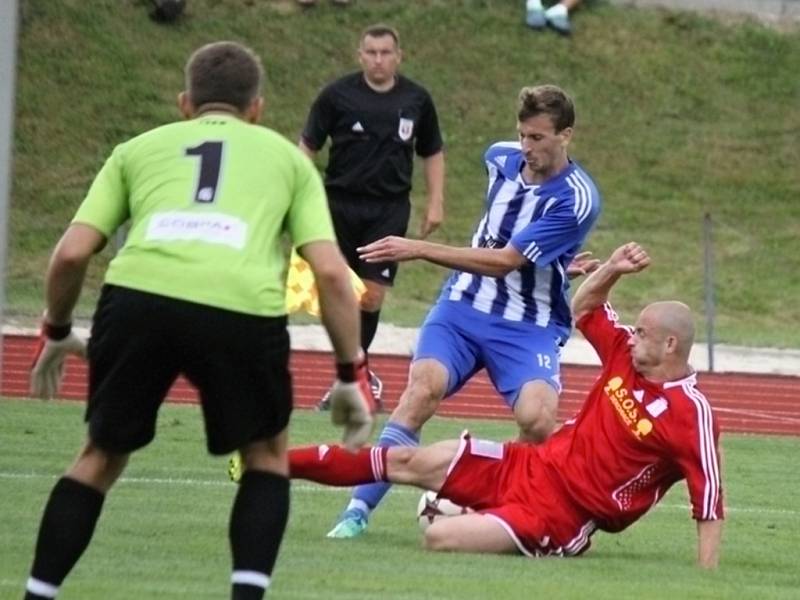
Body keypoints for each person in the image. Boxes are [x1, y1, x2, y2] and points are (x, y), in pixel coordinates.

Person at [23, 41, 374, 600]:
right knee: (265, 457)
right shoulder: (288, 159)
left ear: (185, 104)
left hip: (138, 298)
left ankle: (38, 593)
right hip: (240, 308)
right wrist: (350, 373)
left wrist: (58, 332)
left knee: (99, 457)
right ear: (257, 108)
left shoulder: (136, 150)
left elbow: (69, 254)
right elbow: (332, 275)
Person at [289, 241, 725, 568]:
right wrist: (611, 268)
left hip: (561, 514)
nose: (632, 336)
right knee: (407, 460)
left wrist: (705, 577)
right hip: (528, 465)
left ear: (671, 344)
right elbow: (586, 307)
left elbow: (709, 500)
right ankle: (275, 463)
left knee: (439, 536)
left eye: (643, 333)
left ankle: (468, 513)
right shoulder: (625, 355)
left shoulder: (691, 414)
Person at [324, 83, 602, 539]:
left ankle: (500, 500)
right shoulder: (498, 157)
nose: (526, 147)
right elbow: (501, 234)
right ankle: (355, 513)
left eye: (538, 138)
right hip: (462, 307)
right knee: (420, 392)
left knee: (537, 419)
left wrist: (418, 248)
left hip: (526, 324)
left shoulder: (577, 198)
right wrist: (555, 262)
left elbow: (508, 261)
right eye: (522, 135)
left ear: (566, 135)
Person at [299, 23, 446, 410]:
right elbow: (307, 146)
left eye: (385, 52)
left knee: (371, 295)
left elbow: (431, 150)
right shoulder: (337, 96)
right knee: (338, 293)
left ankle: (356, 375)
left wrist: (436, 201)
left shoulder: (416, 99)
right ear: (360, 55)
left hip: (388, 209)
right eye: (371, 52)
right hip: (338, 205)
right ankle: (350, 375)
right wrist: (297, 194)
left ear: (398, 57)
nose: (378, 59)